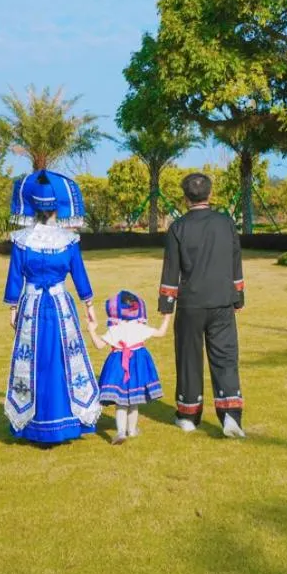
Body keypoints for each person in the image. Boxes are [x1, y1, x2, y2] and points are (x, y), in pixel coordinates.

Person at [2, 170, 101, 444]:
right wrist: (89, 304)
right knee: (64, 358)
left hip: (31, 307)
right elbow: (79, 275)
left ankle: (33, 422)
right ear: (57, 208)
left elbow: (14, 277)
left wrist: (12, 309)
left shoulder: (22, 241)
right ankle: (65, 419)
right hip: (60, 306)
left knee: (34, 360)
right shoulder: (69, 241)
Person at [158, 172, 246, 438]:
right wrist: (238, 297)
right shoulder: (226, 223)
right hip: (222, 301)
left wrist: (166, 305)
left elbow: (171, 270)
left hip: (191, 305)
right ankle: (230, 416)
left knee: (188, 359)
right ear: (210, 194)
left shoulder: (178, 227)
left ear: (185, 197)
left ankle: (188, 416)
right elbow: (235, 261)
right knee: (225, 358)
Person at [91, 290, 170, 445]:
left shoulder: (115, 329)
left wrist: (92, 330)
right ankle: (132, 430)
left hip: (117, 366)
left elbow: (99, 345)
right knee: (134, 401)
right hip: (138, 366)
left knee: (121, 402)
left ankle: (121, 432)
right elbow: (161, 333)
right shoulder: (140, 327)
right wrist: (167, 317)